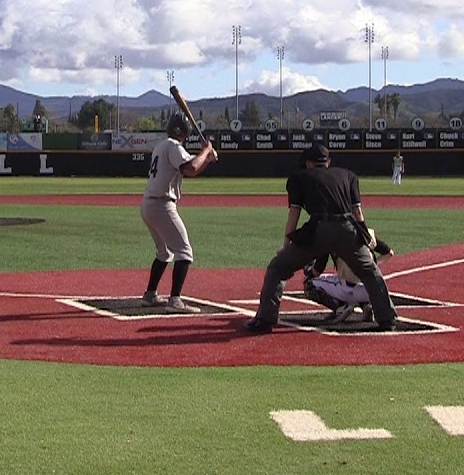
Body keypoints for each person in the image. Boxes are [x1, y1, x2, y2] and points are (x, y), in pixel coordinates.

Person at [244, 144, 401, 333]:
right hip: (348, 229)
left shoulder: (299, 178)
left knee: (278, 268)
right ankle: (388, 320)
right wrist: (365, 241)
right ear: (328, 162)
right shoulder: (348, 175)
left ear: (308, 163)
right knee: (370, 272)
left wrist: (286, 246)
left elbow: (293, 215)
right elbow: (358, 213)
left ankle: (265, 320)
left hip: (319, 229)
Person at [139, 111, 218, 313]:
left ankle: (150, 294)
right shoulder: (174, 147)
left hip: (149, 204)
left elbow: (191, 167)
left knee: (164, 253)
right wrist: (206, 151)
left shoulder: (162, 145)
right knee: (184, 252)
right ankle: (175, 300)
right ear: (186, 131)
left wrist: (206, 158)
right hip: (162, 205)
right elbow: (191, 168)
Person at [303, 228, 395, 323]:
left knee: (309, 284)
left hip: (346, 288)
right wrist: (372, 267)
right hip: (371, 289)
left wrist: (308, 270)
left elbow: (317, 270)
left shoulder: (330, 236)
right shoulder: (366, 232)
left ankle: (341, 307)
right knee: (364, 278)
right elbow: (389, 253)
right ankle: (366, 305)